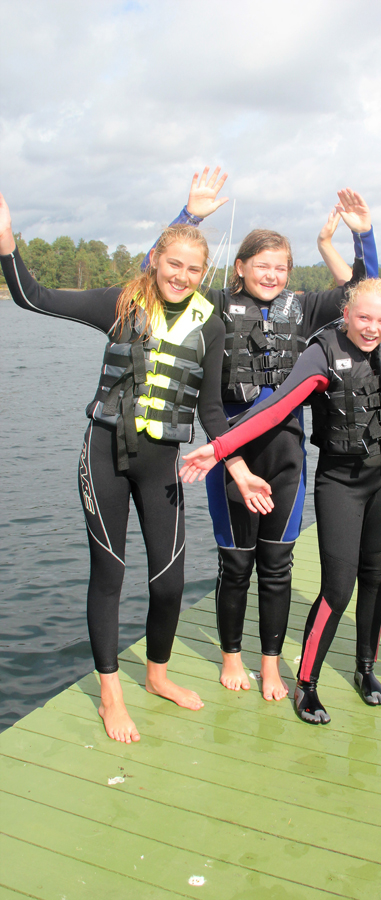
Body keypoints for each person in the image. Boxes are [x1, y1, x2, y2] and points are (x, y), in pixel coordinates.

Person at [0, 186, 272, 744]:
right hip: (104, 453)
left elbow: (211, 411)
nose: (182, 276)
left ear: (203, 273)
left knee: (169, 582)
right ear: (156, 261)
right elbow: (32, 296)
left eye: (194, 269)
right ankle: (110, 694)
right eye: (174, 264)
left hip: (161, 463)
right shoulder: (122, 303)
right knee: (110, 574)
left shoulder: (210, 323)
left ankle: (157, 675)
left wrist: (238, 467)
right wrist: (6, 241)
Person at [150, 170, 379, 702]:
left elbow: (364, 289)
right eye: (262, 265)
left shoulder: (308, 309)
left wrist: (360, 235)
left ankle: (270, 664)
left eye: (280, 268)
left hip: (287, 454)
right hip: (231, 452)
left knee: (277, 566)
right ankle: (232, 656)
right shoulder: (211, 305)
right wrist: (189, 216)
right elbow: (156, 276)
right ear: (240, 267)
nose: (272, 275)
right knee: (236, 564)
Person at [180, 277, 381, 724]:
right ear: (346, 313)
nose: (372, 328)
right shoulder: (322, 352)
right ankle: (307, 683)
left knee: (376, 578)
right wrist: (222, 447)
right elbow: (277, 406)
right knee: (338, 588)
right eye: (363, 317)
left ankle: (366, 668)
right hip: (341, 480)